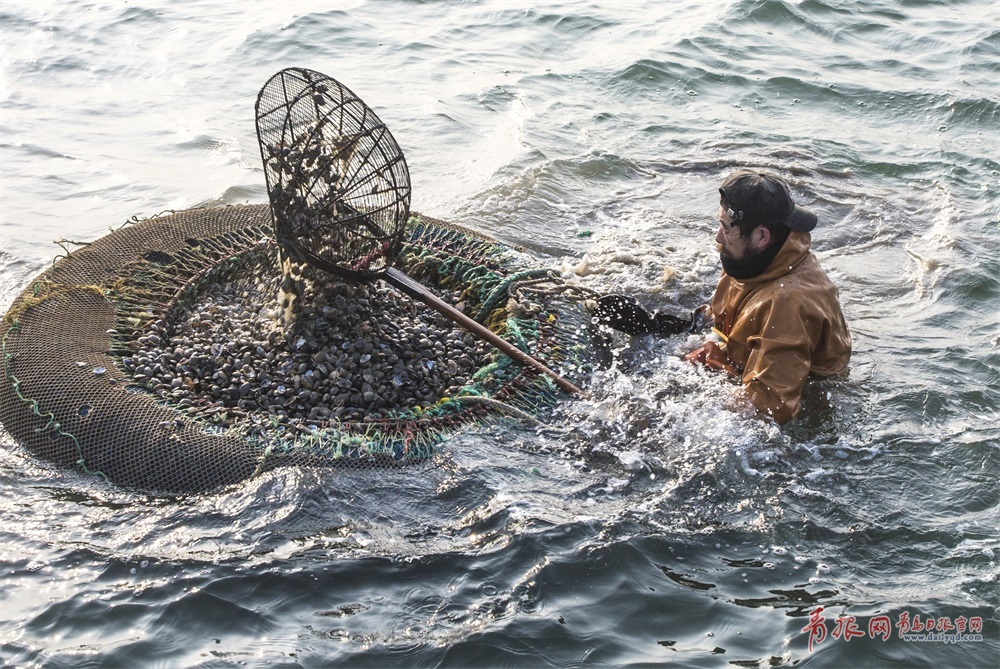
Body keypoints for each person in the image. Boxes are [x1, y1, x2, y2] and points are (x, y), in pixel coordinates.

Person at [592, 169, 851, 425]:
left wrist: (671, 409)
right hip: (744, 367)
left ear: (761, 236)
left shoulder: (790, 302)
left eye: (726, 229)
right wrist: (661, 327)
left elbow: (771, 406)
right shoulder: (758, 259)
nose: (718, 238)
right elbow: (722, 317)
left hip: (804, 405)